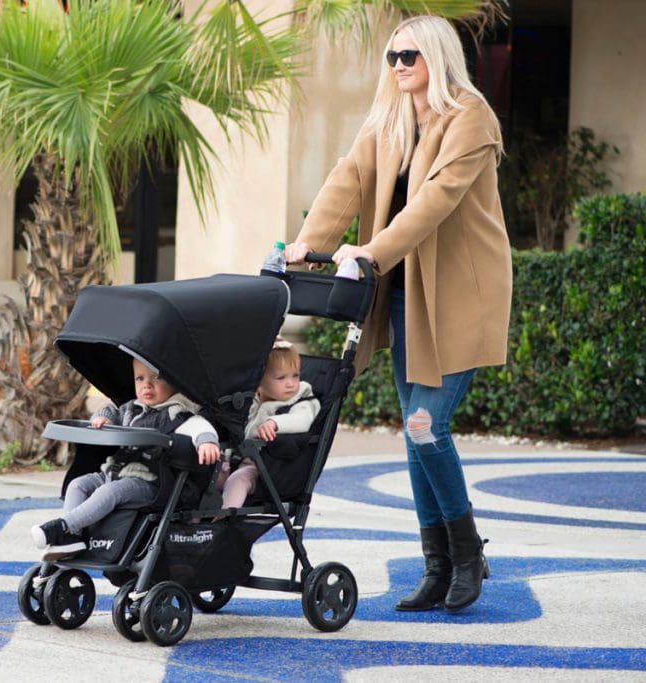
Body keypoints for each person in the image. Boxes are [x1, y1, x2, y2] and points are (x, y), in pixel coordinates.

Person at [284, 15, 511, 613]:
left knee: (424, 427)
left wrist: (369, 250)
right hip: (410, 293)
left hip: (461, 293)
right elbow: (348, 179)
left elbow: (434, 201)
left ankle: (467, 555)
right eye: (391, 57)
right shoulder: (388, 119)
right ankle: (437, 566)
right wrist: (309, 242)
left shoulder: (471, 117)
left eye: (409, 55)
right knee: (415, 433)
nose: (399, 66)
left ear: (436, 54)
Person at [31, 357, 221, 559]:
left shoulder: (179, 412)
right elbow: (111, 411)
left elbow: (200, 426)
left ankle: (65, 526)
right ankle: (73, 538)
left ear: (174, 381)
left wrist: (207, 442)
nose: (146, 385)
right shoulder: (131, 409)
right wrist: (102, 418)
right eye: (139, 379)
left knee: (110, 492)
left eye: (156, 378)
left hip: (152, 482)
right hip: (117, 472)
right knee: (78, 485)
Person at [216, 340, 320, 509]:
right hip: (236, 459)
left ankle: (222, 518)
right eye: (281, 377)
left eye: (296, 375)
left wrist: (274, 423)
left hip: (266, 470)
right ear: (259, 381)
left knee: (238, 480)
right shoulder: (253, 400)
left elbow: (303, 420)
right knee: (206, 474)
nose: (291, 383)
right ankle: (193, 523)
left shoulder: (302, 400)